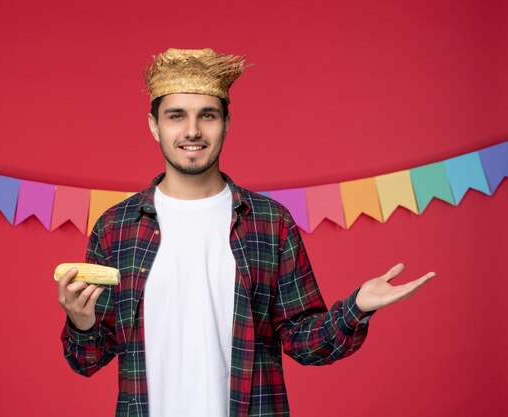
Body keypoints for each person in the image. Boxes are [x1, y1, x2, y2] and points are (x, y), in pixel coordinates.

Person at [57, 47, 435, 417]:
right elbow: (87, 360)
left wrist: (357, 307)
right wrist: (81, 320)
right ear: (154, 125)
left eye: (207, 115)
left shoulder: (271, 222)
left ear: (226, 123)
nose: (192, 131)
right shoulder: (116, 227)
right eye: (176, 116)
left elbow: (303, 341)